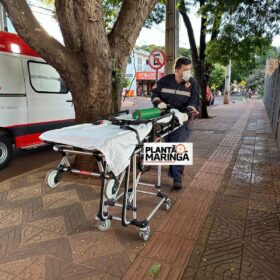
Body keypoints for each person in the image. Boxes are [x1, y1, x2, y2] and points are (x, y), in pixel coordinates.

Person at [151, 57, 201, 190]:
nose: (188, 73)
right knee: (168, 145)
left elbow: (195, 102)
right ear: (177, 70)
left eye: (190, 69)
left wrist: (188, 113)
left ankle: (177, 178)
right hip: (166, 117)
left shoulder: (192, 83)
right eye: (185, 70)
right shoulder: (165, 81)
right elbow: (154, 95)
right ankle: (170, 169)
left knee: (178, 146)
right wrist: (158, 103)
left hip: (183, 119)